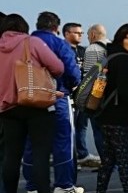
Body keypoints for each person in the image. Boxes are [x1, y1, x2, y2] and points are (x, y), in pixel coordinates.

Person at [0, 14, 64, 193]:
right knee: (40, 154)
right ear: (24, 27)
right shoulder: (32, 42)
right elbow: (58, 67)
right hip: (37, 105)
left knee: (11, 156)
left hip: (8, 108)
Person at [25, 12, 82, 193]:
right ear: (56, 28)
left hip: (29, 99)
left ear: (37, 25)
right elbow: (72, 72)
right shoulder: (60, 44)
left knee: (32, 143)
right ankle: (64, 185)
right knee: (63, 142)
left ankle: (32, 186)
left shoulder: (25, 43)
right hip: (58, 97)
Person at [96, 24, 128, 193]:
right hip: (120, 117)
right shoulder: (125, 60)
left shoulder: (108, 56)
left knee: (108, 161)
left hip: (105, 115)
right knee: (124, 161)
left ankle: (100, 190)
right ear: (121, 39)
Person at [63, 22, 94, 165]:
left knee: (82, 125)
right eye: (76, 33)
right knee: (70, 126)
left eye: (81, 33)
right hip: (68, 94)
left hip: (84, 94)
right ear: (67, 34)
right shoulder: (62, 50)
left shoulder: (83, 51)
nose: (80, 35)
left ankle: (82, 153)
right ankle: (71, 157)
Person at [81, 24, 109, 158]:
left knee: (99, 131)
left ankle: (106, 162)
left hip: (98, 96)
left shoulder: (92, 49)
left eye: (87, 36)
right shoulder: (114, 46)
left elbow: (89, 77)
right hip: (113, 96)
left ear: (93, 34)